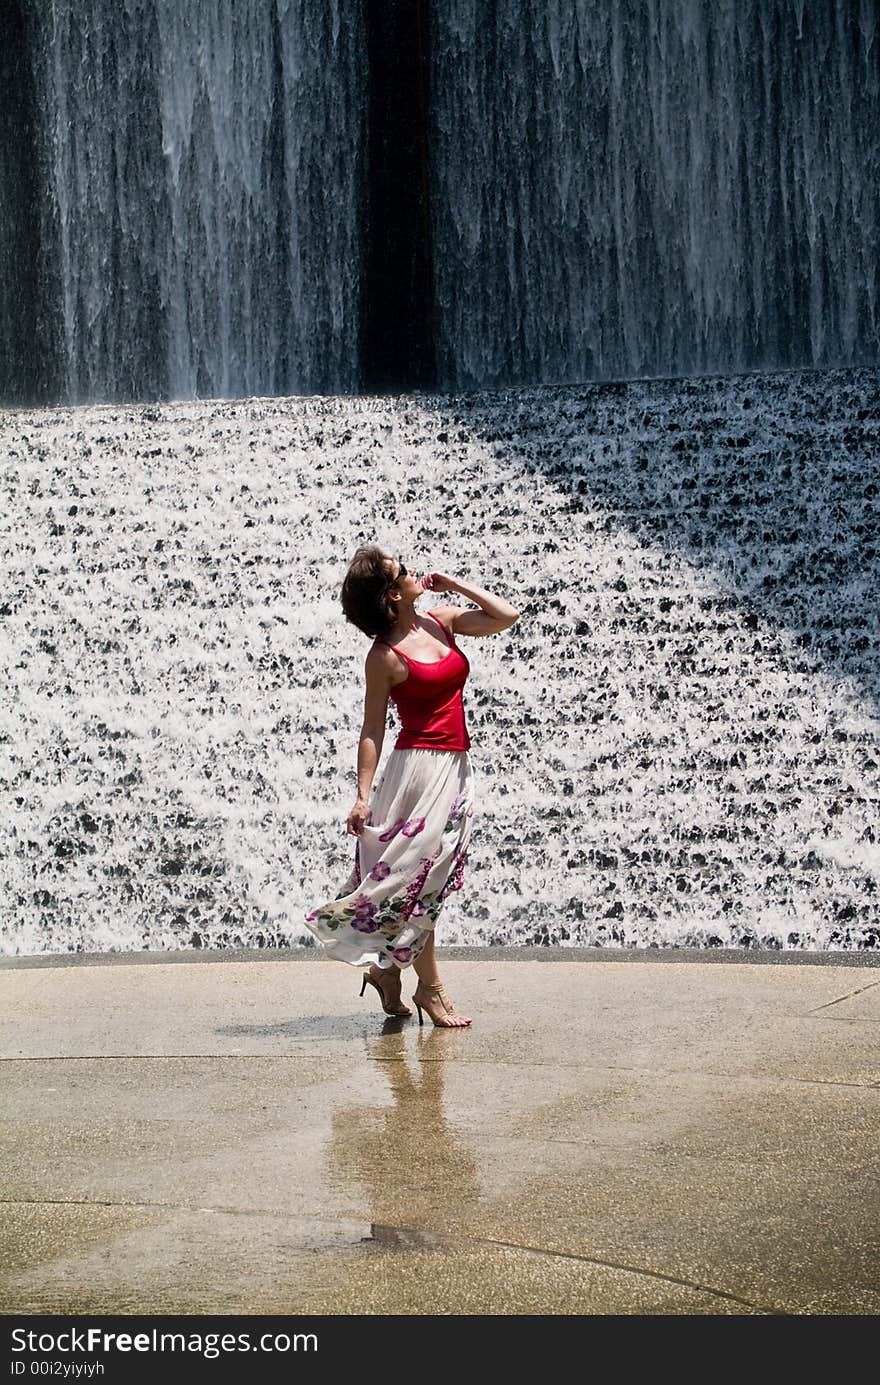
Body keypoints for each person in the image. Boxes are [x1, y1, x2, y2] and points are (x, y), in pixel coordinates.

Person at [304, 546, 519, 1027]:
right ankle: (431, 990)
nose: (413, 572)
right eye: (402, 572)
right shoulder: (383, 656)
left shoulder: (441, 622)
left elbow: (506, 615)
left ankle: (387, 972)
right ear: (391, 594)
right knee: (419, 882)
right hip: (417, 773)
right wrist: (362, 795)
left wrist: (458, 584)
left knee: (429, 881)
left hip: (456, 770)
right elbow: (372, 729)